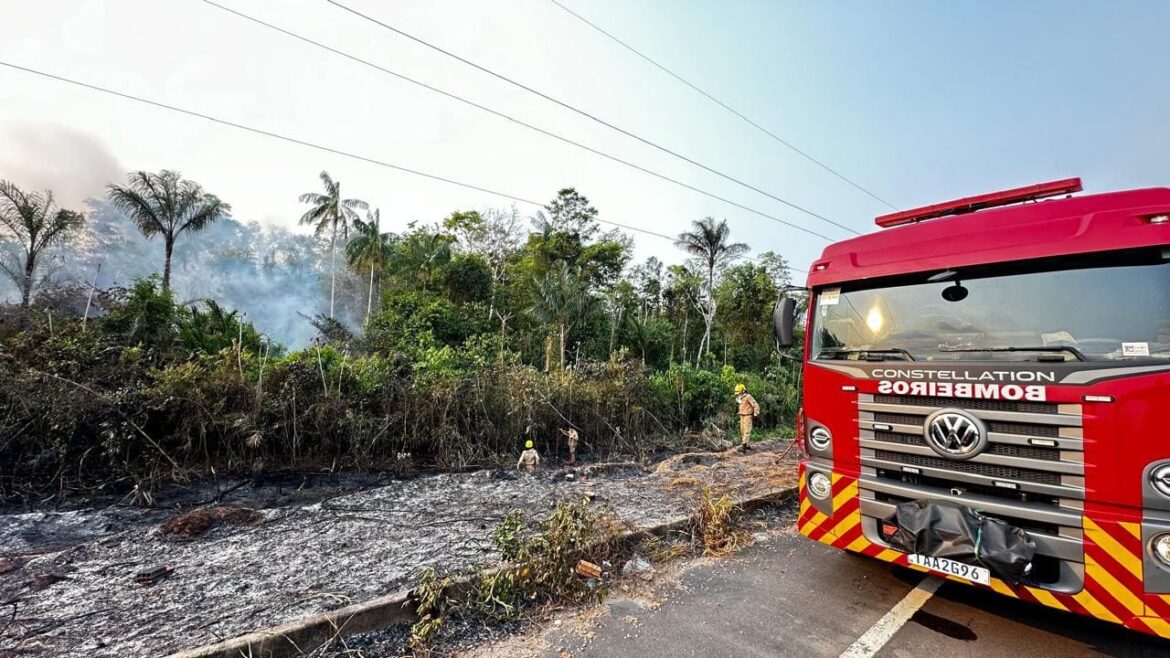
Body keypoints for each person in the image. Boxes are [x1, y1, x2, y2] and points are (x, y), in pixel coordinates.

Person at [735, 383, 760, 450]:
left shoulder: (748, 397)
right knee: (742, 431)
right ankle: (747, 444)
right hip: (741, 415)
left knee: (747, 431)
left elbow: (755, 405)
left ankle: (744, 447)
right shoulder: (739, 398)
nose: (738, 394)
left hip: (747, 416)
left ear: (743, 391)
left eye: (739, 392)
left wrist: (756, 413)